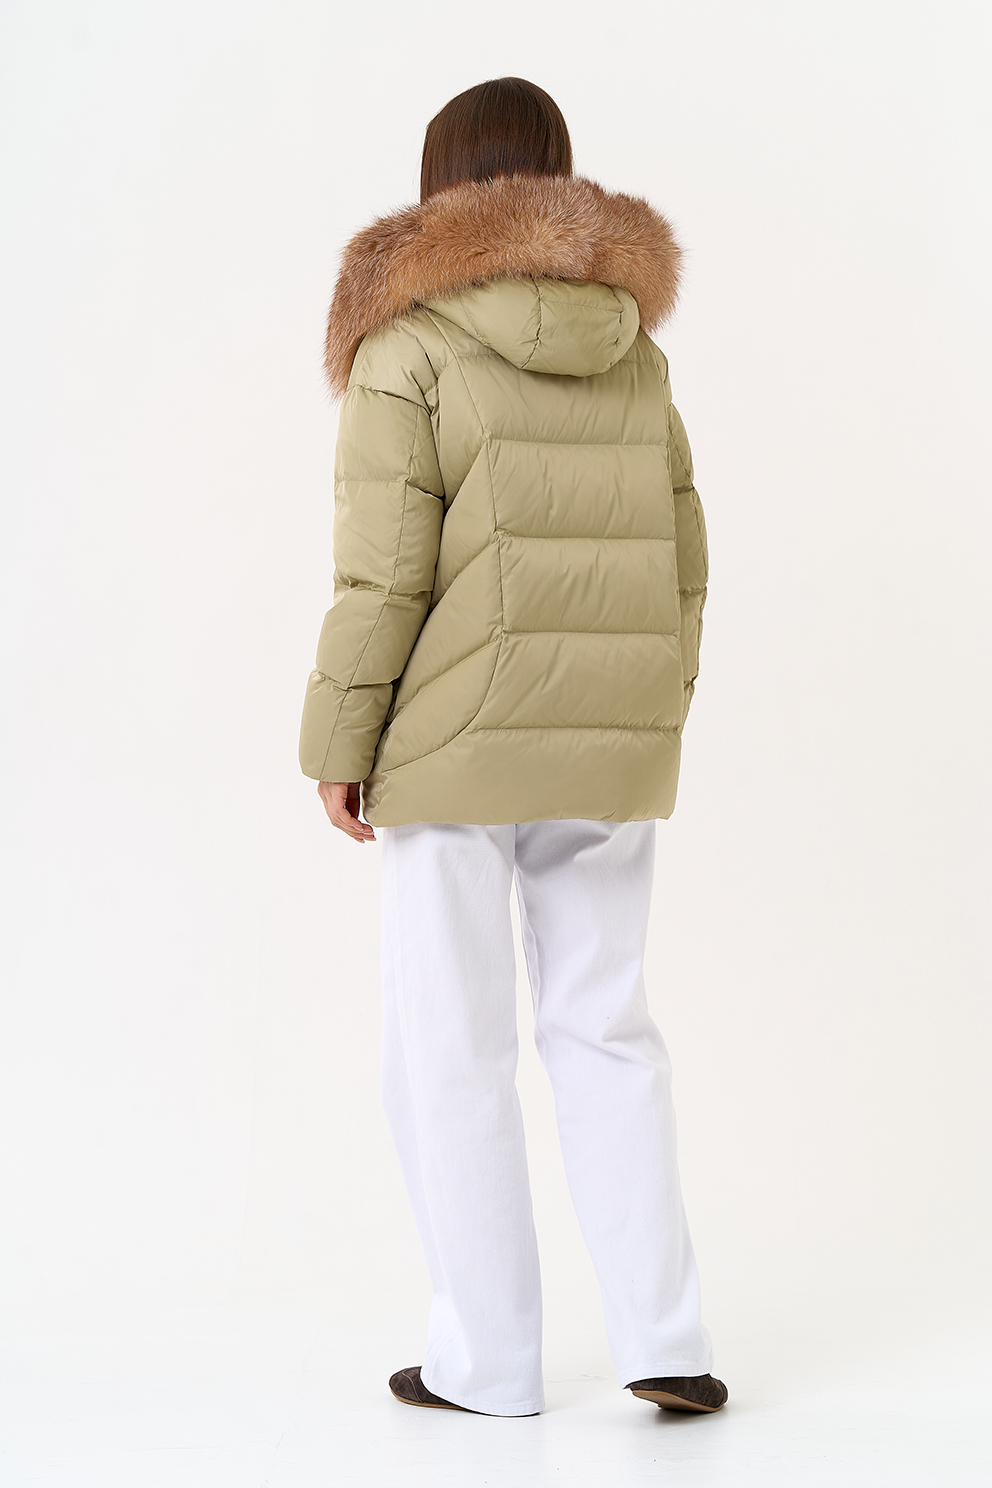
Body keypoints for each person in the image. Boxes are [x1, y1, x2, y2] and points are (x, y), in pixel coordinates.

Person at [299, 77, 726, 1420]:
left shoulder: (406, 346)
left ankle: (487, 1364)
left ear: (441, 189)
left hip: (453, 749)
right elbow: (685, 558)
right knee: (608, 1029)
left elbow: (383, 577)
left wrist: (339, 739)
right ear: (560, 179)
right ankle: (667, 1343)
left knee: (450, 1045)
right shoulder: (633, 349)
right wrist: (649, 708)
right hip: (608, 749)